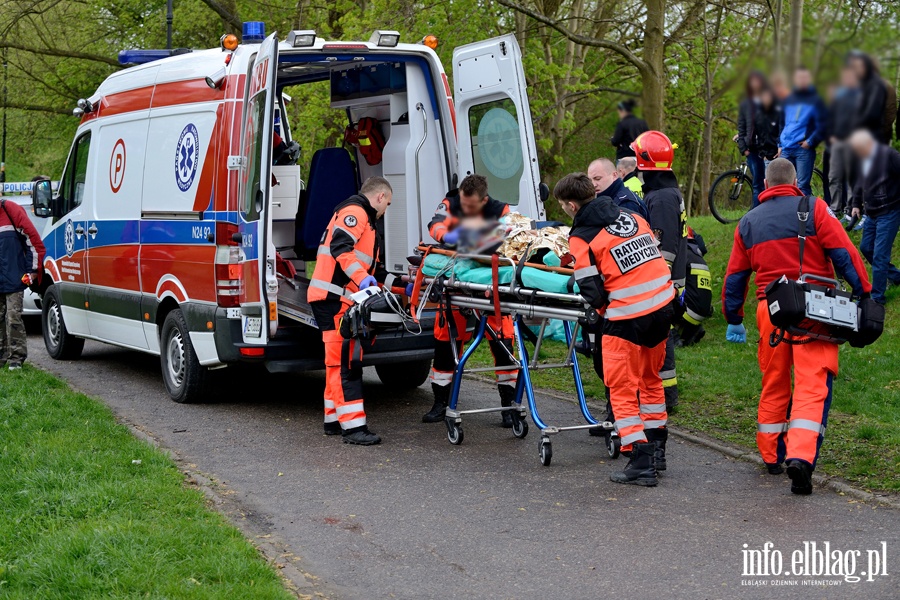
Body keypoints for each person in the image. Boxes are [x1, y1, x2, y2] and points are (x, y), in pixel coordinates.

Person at [722, 158, 871, 495]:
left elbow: (734, 277)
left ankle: (771, 455)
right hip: (814, 308)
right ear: (796, 180)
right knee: (812, 384)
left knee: (774, 380)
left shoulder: (747, 222)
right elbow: (845, 254)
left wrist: (734, 318)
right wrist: (864, 293)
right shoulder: (815, 209)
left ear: (766, 183)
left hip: (770, 309)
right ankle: (801, 458)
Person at [556, 173, 675, 486]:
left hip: (627, 317)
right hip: (662, 307)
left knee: (621, 389)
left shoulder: (581, 235)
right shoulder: (631, 214)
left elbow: (591, 290)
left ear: (570, 205)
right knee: (651, 380)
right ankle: (657, 448)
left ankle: (641, 460)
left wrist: (605, 311)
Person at [423, 174, 518, 426]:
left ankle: (508, 406)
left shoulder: (500, 210)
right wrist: (447, 237)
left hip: (489, 283)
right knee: (445, 343)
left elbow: (509, 235)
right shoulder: (451, 202)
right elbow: (435, 225)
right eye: (464, 204)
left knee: (504, 346)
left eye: (472, 206)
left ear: (484, 200)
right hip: (457, 281)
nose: (466, 209)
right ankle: (440, 403)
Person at [308, 177, 394, 446]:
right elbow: (341, 249)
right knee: (346, 363)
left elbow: (374, 271)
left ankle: (333, 420)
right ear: (379, 197)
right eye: (388, 203)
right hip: (333, 299)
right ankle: (354, 428)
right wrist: (361, 278)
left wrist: (400, 284)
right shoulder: (355, 213)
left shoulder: (366, 222)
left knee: (336, 363)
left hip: (333, 299)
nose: (386, 210)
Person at [631, 130, 686, 410]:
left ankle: (666, 397)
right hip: (669, 278)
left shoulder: (662, 198)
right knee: (660, 336)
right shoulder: (665, 191)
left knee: (660, 338)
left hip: (665, 279)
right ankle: (662, 394)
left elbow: (665, 245)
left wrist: (659, 278)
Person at [849, 129, 900, 304]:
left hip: (889, 212)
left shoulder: (891, 156)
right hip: (871, 213)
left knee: (880, 255)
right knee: (866, 247)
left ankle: (877, 298)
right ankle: (896, 276)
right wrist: (856, 204)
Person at [0, 197, 45, 370]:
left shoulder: (11, 210)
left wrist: (32, 271)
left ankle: (16, 359)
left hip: (14, 278)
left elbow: (34, 243)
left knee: (13, 318)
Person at [778, 67, 828, 196]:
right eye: (799, 77)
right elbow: (781, 122)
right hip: (785, 149)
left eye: (805, 77)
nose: (802, 80)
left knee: (802, 186)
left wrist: (810, 141)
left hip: (803, 150)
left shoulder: (816, 100)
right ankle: (787, 214)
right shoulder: (788, 99)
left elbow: (823, 124)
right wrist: (779, 144)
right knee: (783, 185)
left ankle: (805, 215)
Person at [737, 71, 782, 207]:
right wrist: (743, 148)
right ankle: (756, 212)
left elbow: (777, 124)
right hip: (752, 149)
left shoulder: (770, 101)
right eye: (752, 82)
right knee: (758, 183)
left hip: (769, 148)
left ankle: (770, 211)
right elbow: (741, 126)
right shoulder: (745, 104)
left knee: (771, 182)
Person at [826, 66, 861, 214]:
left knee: (850, 178)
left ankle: (850, 209)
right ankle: (835, 208)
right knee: (834, 176)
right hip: (836, 142)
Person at [672, 227, 712, 347]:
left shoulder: (680, 254)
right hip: (699, 314)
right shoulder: (696, 255)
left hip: (688, 312)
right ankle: (693, 330)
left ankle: (672, 337)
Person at [587, 157, 649, 222]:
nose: (594, 185)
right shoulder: (601, 199)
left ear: (614, 175)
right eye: (590, 180)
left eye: (598, 179)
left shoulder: (626, 204)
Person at [846, 51, 888, 142]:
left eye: (857, 67)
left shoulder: (876, 84)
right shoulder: (864, 83)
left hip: (870, 136)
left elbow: (872, 113)